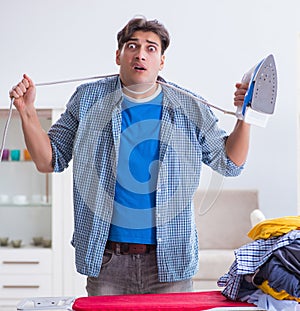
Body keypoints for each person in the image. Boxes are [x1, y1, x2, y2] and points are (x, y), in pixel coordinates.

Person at [9, 17, 250, 296]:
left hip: (169, 260)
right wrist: (27, 112)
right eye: (132, 46)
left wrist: (246, 117)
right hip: (108, 261)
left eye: (151, 48)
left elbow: (229, 164)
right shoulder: (87, 99)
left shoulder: (188, 105)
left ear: (161, 61)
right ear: (118, 55)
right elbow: (48, 160)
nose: (140, 54)